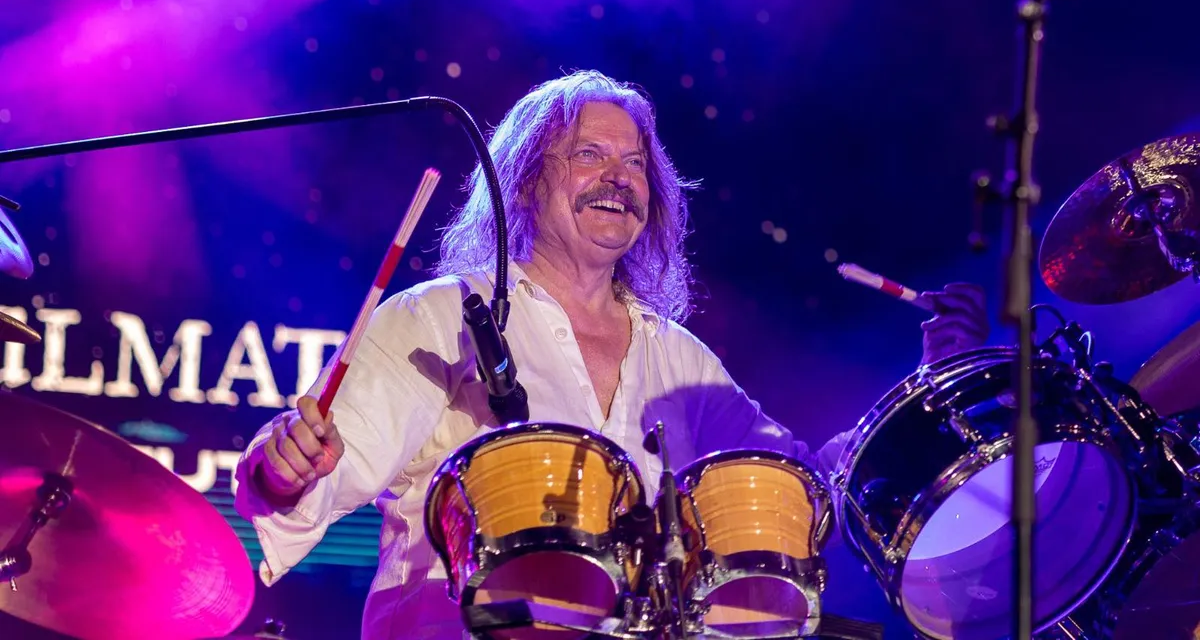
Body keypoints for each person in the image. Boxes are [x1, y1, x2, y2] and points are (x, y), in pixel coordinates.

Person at [231, 70, 989, 639]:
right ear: (525, 180)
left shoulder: (678, 360)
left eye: (634, 165)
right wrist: (286, 465)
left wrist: (934, 381)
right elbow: (316, 469)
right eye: (589, 155)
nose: (619, 179)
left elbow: (796, 485)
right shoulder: (438, 317)